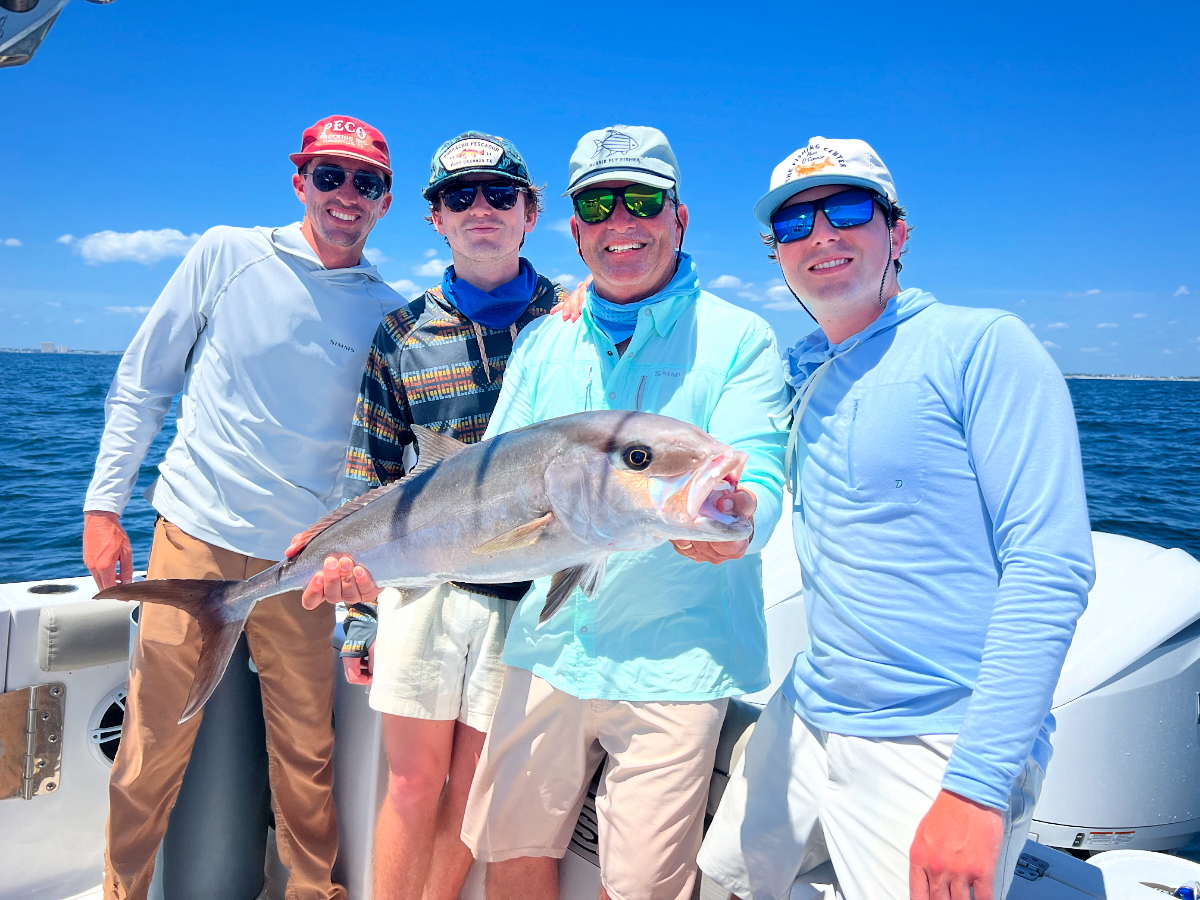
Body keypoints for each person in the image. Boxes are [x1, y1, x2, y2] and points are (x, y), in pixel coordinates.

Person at [697, 137, 1096, 900]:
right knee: (723, 884)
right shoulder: (805, 370)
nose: (821, 233)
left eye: (848, 209)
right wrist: (570, 300)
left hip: (936, 737)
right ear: (777, 253)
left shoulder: (983, 345)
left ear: (898, 232)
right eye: (794, 223)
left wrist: (977, 788)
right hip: (808, 708)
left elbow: (1050, 566)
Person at [454, 125, 790, 900]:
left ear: (679, 217)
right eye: (600, 205)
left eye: (642, 200)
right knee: (511, 850)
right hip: (549, 641)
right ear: (576, 232)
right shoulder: (544, 340)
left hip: (676, 655)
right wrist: (370, 569)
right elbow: (487, 482)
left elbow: (759, 468)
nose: (621, 221)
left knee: (641, 886)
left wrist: (742, 520)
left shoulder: (741, 337)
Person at [82, 114, 401, 900]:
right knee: (152, 744)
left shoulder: (389, 312)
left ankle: (313, 893)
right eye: (329, 175)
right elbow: (144, 381)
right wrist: (102, 508)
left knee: (307, 754)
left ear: (385, 201)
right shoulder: (227, 253)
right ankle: (122, 892)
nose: (346, 194)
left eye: (366, 182)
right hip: (195, 537)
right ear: (299, 182)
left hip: (303, 562)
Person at [295, 131, 567, 900]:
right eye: (458, 196)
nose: (481, 208)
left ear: (531, 213)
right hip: (425, 585)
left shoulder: (573, 320)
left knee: (477, 787)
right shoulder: (402, 334)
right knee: (413, 783)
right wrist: (359, 618)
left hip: (530, 590)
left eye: (500, 194)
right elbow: (371, 472)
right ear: (435, 219)